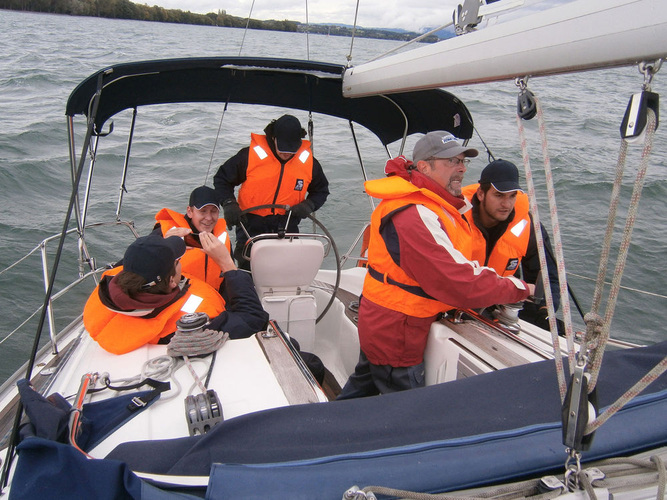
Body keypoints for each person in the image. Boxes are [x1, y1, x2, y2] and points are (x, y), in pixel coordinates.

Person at [338, 131, 535, 399]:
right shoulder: (413, 214)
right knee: (407, 411)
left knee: (363, 391)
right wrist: (521, 288)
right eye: (452, 161)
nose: (461, 169)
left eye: (463, 162)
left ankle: (325, 428)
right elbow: (456, 281)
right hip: (398, 330)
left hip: (387, 321)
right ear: (424, 167)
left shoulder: (430, 204)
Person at [83, 234, 268, 355]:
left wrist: (158, 244)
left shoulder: (107, 289)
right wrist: (227, 264)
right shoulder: (193, 327)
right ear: (172, 281)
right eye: (178, 261)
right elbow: (253, 320)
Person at [213, 114, 330, 269]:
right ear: (273, 138)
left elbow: (321, 190)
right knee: (247, 272)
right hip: (250, 225)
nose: (286, 154)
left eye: (291, 150)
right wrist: (229, 204)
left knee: (285, 270)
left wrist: (309, 205)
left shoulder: (309, 164)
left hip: (288, 224)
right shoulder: (248, 156)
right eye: (282, 148)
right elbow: (222, 179)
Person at [461, 159, 561, 330]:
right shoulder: (456, 217)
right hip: (455, 302)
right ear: (480, 194)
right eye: (499, 195)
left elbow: (547, 276)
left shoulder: (528, 226)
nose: (506, 204)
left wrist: (544, 311)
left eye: (512, 196)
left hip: (499, 304)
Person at [153, 185, 231, 291]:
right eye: (203, 211)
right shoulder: (167, 234)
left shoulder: (221, 237)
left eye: (213, 211)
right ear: (190, 211)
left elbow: (228, 278)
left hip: (213, 299)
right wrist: (162, 246)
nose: (208, 218)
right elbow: (135, 265)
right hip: (179, 299)